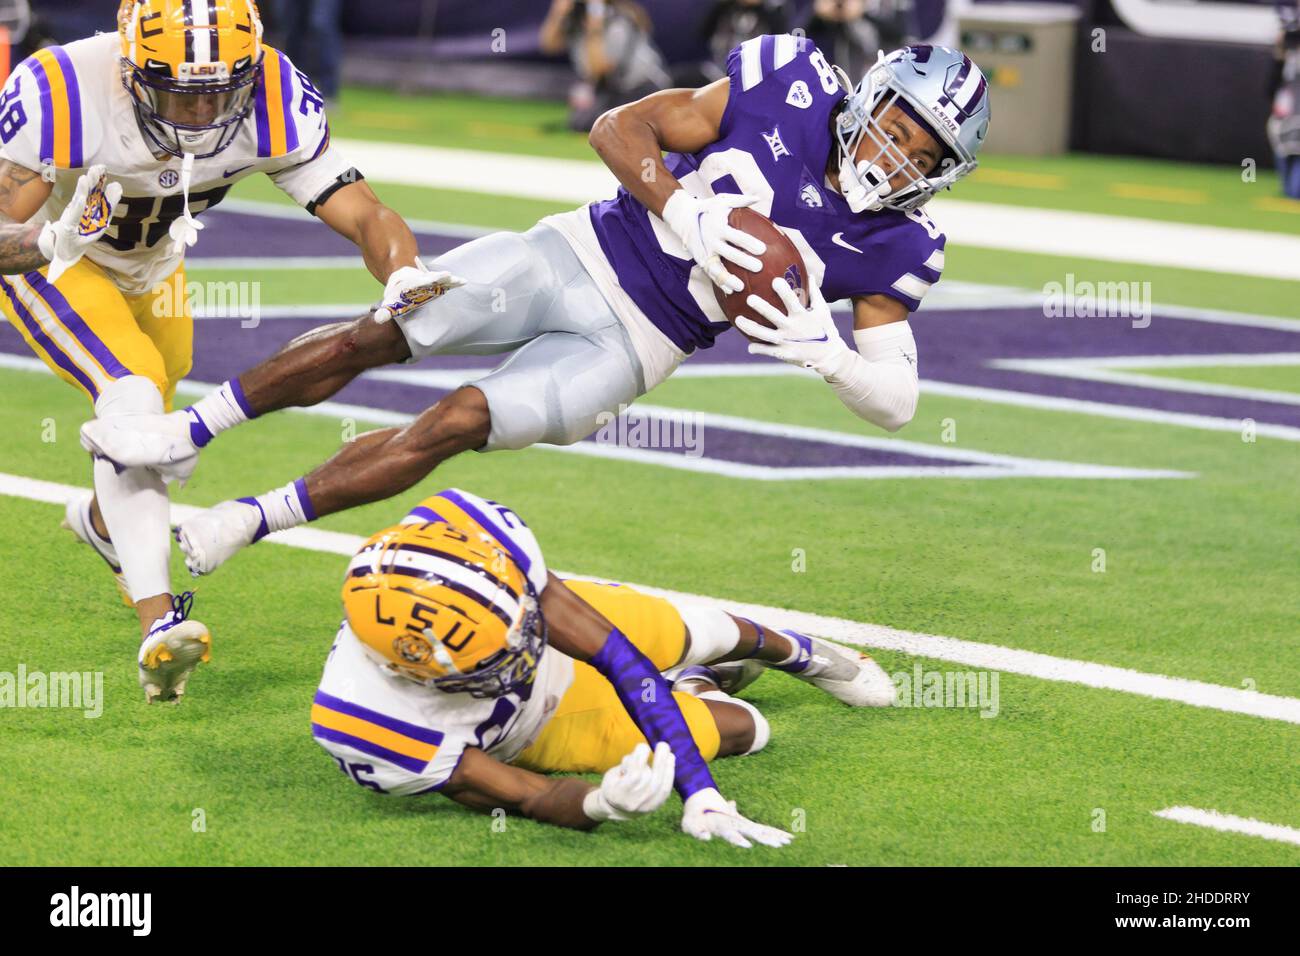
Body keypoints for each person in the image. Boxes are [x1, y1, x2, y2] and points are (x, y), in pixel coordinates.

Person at [81, 39, 991, 581]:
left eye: (924, 151)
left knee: (453, 423)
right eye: (898, 124)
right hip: (575, 251)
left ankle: (243, 521)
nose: (897, 154)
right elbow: (617, 128)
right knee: (387, 326)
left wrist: (831, 357)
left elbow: (899, 402)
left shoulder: (901, 246)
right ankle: (187, 432)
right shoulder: (786, 83)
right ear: (871, 97)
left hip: (643, 344)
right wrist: (685, 207)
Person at [0, 0, 457, 702]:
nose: (199, 115)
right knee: (135, 397)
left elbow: (362, 210)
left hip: (156, 268)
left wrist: (402, 271)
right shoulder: (63, 89)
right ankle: (158, 622)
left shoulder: (273, 91)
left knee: (161, 443)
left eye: (219, 92)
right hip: (56, 264)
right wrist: (50, 240)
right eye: (180, 93)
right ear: (129, 66)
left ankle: (101, 524)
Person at [313, 486, 894, 844]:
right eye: (498, 657)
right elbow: (528, 796)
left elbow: (618, 658)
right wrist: (601, 804)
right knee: (745, 729)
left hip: (577, 660)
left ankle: (797, 651)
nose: (528, 647)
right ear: (416, 675)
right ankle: (701, 685)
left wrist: (701, 793)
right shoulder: (366, 726)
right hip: (533, 728)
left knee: (699, 630)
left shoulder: (466, 530)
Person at [539, 0, 671, 131]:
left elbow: (599, 70)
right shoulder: (576, 19)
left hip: (643, 89)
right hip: (612, 90)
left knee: (599, 123)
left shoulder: (619, 20)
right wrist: (558, 13)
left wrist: (594, 25)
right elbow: (549, 46)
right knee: (582, 121)